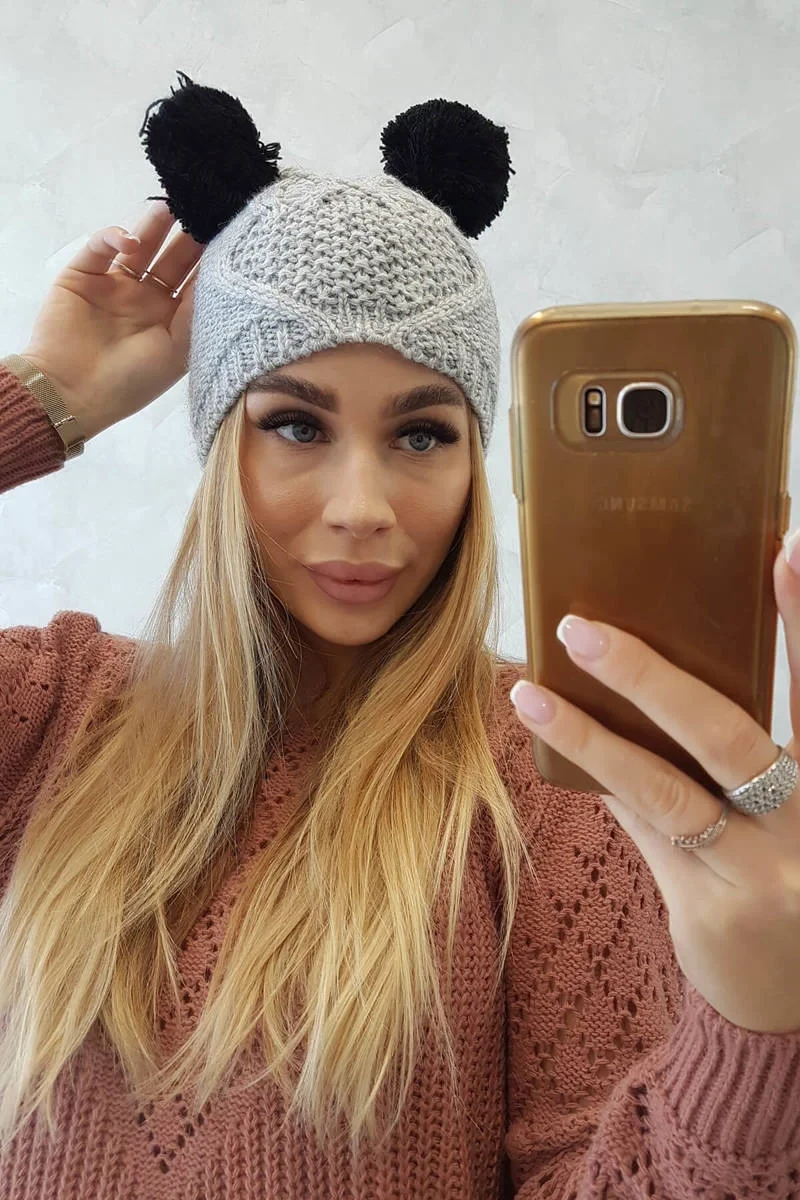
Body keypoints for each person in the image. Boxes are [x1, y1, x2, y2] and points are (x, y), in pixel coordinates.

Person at [0, 72, 798, 1200]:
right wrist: (45, 398)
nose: (362, 507)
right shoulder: (52, 710)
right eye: (294, 423)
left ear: (479, 460)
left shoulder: (556, 785)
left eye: (422, 435)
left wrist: (752, 1026)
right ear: (219, 444)